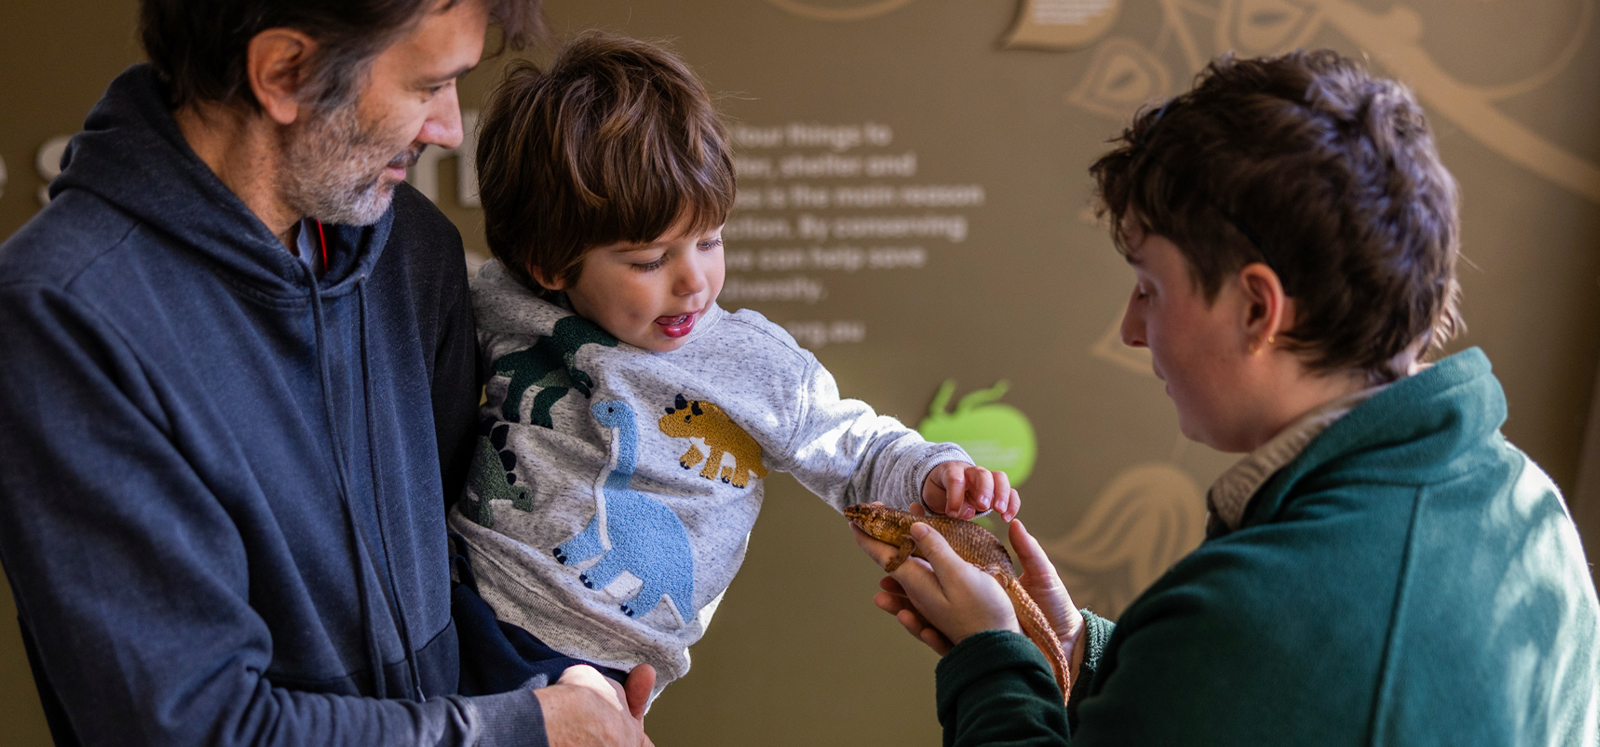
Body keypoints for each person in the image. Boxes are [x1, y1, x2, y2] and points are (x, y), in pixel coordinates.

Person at [854, 49, 1600, 745]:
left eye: (1149, 287)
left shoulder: (1257, 615)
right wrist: (1086, 653)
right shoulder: (1528, 501)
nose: (1131, 329)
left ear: (1256, 308)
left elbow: (1268, 658)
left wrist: (991, 660)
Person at [0, 1, 655, 744]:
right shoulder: (63, 315)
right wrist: (522, 729)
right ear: (284, 73)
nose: (447, 129)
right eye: (426, 86)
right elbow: (193, 727)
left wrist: (551, 681)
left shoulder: (415, 250)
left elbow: (455, 562)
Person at [449, 32, 1022, 700]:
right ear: (546, 263)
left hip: (602, 661)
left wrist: (931, 474)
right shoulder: (501, 299)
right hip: (462, 595)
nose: (694, 281)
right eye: (648, 259)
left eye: (709, 239)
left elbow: (856, 448)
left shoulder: (752, 363)